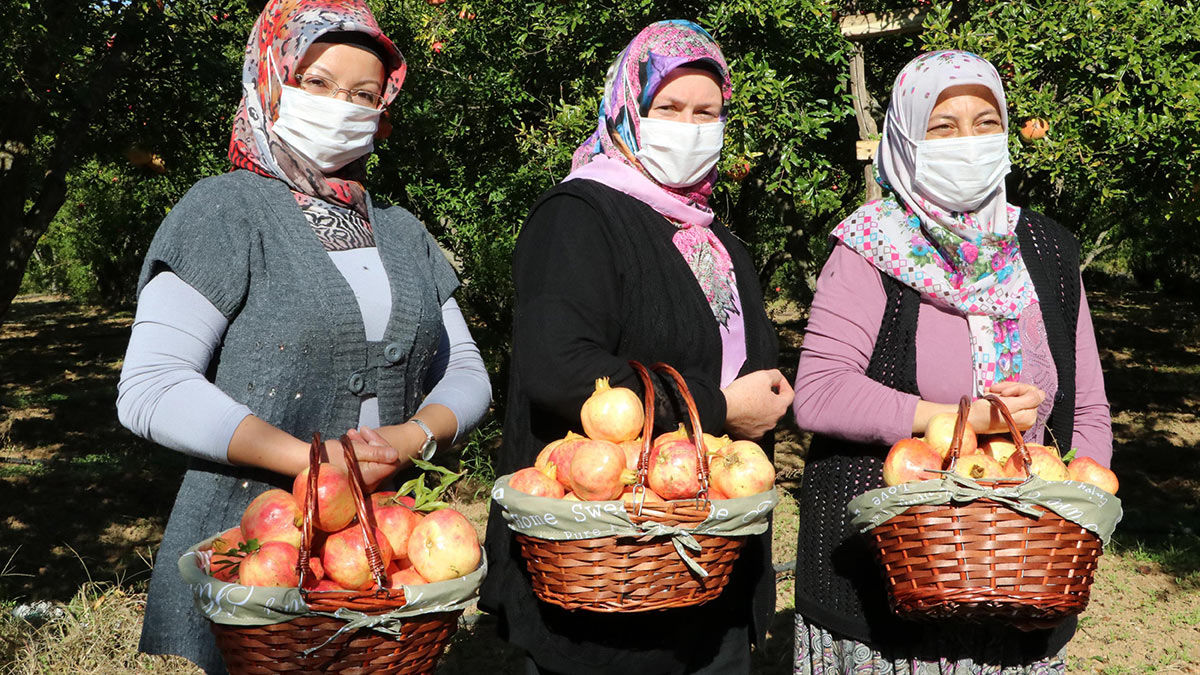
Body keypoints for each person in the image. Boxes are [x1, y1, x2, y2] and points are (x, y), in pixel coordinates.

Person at [115, 1, 491, 672]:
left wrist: (411, 439)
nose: (340, 105)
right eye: (317, 83)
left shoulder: (403, 231)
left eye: (364, 95)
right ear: (271, 78)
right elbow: (151, 386)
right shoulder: (223, 212)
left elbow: (466, 369)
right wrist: (310, 463)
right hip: (256, 566)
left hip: (386, 559)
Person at [478, 19, 793, 674]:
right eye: (669, 107)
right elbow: (560, 369)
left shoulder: (719, 244)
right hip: (608, 585)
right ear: (627, 109)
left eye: (708, 112)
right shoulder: (579, 217)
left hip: (712, 581)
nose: (690, 125)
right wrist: (721, 406)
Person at [789, 50, 1113, 673]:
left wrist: (1070, 523)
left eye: (986, 122)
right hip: (885, 590)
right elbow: (820, 393)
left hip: (1025, 577)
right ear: (907, 139)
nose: (969, 141)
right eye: (942, 127)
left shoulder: (1046, 247)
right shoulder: (870, 246)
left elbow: (1090, 407)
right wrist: (964, 422)